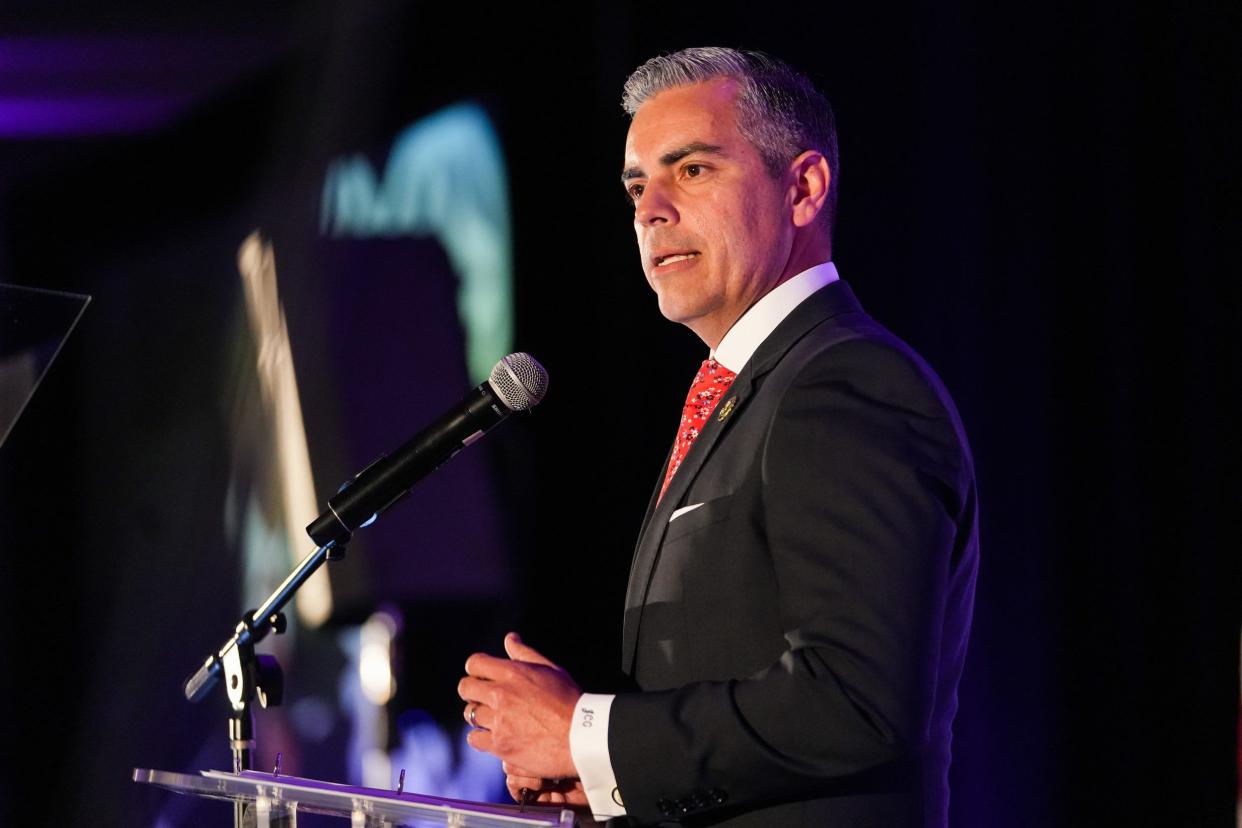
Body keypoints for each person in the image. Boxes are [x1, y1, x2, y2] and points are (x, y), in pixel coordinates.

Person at [458, 47, 979, 827]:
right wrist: (609, 777)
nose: (649, 210)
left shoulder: (845, 384)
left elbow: (857, 699)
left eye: (691, 170)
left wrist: (588, 735)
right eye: (637, 186)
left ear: (802, 188)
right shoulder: (752, 390)